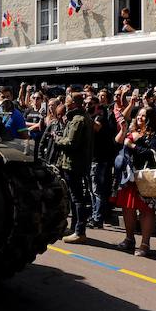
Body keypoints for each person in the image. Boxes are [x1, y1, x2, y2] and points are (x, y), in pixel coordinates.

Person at [114, 106, 156, 256]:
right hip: (129, 177)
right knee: (127, 208)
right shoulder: (131, 132)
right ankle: (129, 239)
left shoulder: (155, 135)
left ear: (150, 119)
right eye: (138, 116)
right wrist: (125, 130)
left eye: (143, 116)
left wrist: (134, 145)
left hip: (146, 179)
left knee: (146, 211)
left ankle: (145, 244)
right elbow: (117, 142)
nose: (139, 118)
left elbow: (153, 154)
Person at [55, 93, 94, 244]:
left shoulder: (78, 120)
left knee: (77, 198)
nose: (64, 103)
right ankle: (75, 228)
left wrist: (57, 139)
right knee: (74, 197)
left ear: (72, 104)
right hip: (76, 163)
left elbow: (71, 143)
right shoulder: (81, 117)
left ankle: (79, 231)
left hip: (73, 164)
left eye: (67, 101)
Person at [89, 91, 119, 228]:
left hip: (100, 159)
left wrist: (83, 117)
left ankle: (98, 218)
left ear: (97, 105)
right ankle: (95, 216)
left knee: (98, 190)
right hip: (93, 159)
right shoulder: (92, 116)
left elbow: (96, 128)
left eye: (90, 104)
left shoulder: (100, 117)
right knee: (92, 190)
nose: (86, 106)